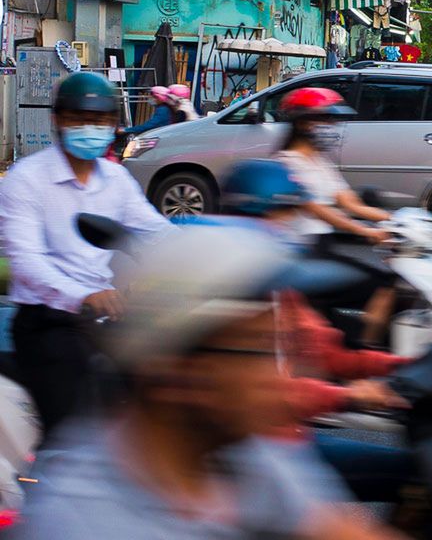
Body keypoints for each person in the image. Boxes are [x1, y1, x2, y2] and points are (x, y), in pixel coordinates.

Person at [16, 224, 406, 540]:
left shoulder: (245, 454)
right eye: (264, 349)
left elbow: (337, 528)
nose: (283, 373)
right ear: (179, 372)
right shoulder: (79, 522)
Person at [216, 159, 417, 504]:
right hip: (252, 453)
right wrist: (349, 396)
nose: (290, 224)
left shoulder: (282, 285)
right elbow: (260, 394)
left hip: (288, 438)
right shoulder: (228, 295)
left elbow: (323, 350)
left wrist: (399, 365)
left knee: (417, 475)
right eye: (283, 215)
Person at [0, 72, 171, 439]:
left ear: (113, 125)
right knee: (73, 432)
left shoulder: (115, 178)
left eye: (99, 120)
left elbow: (154, 229)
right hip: (50, 321)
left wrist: (204, 249)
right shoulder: (27, 179)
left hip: (107, 315)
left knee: (162, 390)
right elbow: (27, 262)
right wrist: (84, 296)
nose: (89, 127)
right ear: (59, 121)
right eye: (79, 119)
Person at [275, 87, 392, 245]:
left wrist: (395, 219)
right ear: (303, 123)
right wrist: (364, 230)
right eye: (325, 119)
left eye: (332, 121)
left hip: (322, 241)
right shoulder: (286, 163)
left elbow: (350, 203)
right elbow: (317, 209)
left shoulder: (320, 161)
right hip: (298, 245)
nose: (331, 126)